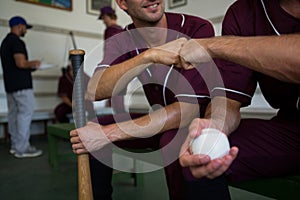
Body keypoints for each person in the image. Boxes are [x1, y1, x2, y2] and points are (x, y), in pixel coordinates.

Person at [70, 0, 215, 199]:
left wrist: (109, 133)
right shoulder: (123, 39)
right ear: (122, 3)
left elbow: (189, 111)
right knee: (93, 128)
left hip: (197, 124)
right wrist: (149, 56)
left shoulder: (196, 28)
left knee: (173, 140)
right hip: (158, 119)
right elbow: (95, 90)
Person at [177, 0, 300, 199]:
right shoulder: (243, 12)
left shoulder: (216, 42)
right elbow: (229, 98)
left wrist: (213, 45)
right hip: (292, 129)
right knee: (200, 155)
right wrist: (215, 125)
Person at [0, 16, 43, 158]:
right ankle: (23, 148)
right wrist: (34, 63)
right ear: (19, 26)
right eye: (25, 27)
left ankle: (15, 145)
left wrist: (30, 68)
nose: (26, 30)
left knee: (14, 115)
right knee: (25, 114)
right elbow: (21, 63)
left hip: (10, 86)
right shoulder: (17, 42)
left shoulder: (5, 42)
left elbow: (14, 66)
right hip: (22, 86)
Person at [99, 5, 125, 113]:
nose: (103, 21)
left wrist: (105, 66)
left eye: (103, 18)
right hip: (124, 66)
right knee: (118, 97)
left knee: (114, 99)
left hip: (114, 67)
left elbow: (110, 52)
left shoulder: (109, 30)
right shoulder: (122, 29)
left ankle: (118, 123)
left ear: (107, 16)